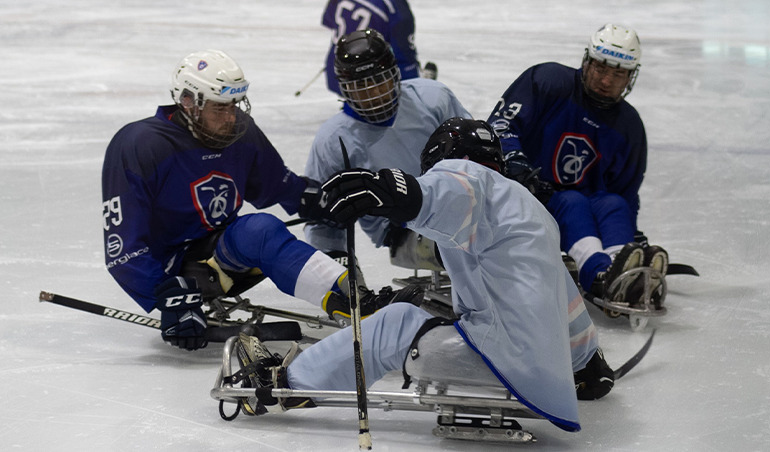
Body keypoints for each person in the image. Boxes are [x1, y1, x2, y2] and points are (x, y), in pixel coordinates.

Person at [234, 119, 614, 429]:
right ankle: (581, 365)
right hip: (548, 382)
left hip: (503, 367)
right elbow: (561, 295)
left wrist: (385, 190)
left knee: (397, 323)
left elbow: (445, 190)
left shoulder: (473, 180)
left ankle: (283, 385)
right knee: (426, 320)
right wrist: (585, 363)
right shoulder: (532, 212)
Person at [101, 49, 421, 352]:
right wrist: (166, 296)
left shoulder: (239, 131)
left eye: (236, 104)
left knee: (259, 230)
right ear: (188, 102)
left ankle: (357, 302)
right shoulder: (139, 145)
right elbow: (123, 249)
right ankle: (354, 303)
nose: (231, 117)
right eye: (220, 108)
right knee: (258, 230)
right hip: (172, 271)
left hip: (222, 255)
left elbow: (278, 185)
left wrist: (322, 201)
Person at [487, 24, 668, 303]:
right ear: (586, 61)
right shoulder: (549, 81)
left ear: (631, 76)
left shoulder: (629, 126)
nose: (606, 80)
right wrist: (515, 162)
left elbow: (625, 193)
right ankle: (599, 277)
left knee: (614, 204)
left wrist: (630, 232)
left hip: (582, 202)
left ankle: (624, 271)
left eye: (618, 73)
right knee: (572, 201)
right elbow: (500, 125)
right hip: (528, 196)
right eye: (601, 68)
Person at [304, 29, 470, 269]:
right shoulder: (333, 140)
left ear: (395, 74)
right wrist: (337, 273)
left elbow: (477, 158)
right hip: (404, 233)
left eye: (380, 81)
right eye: (361, 87)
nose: (374, 94)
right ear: (345, 89)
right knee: (471, 245)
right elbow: (323, 218)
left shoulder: (434, 98)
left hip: (457, 205)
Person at [321, 0, 434, 97]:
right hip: (372, 86)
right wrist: (417, 90)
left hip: (337, 73)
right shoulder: (395, 9)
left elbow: (329, 21)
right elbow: (404, 58)